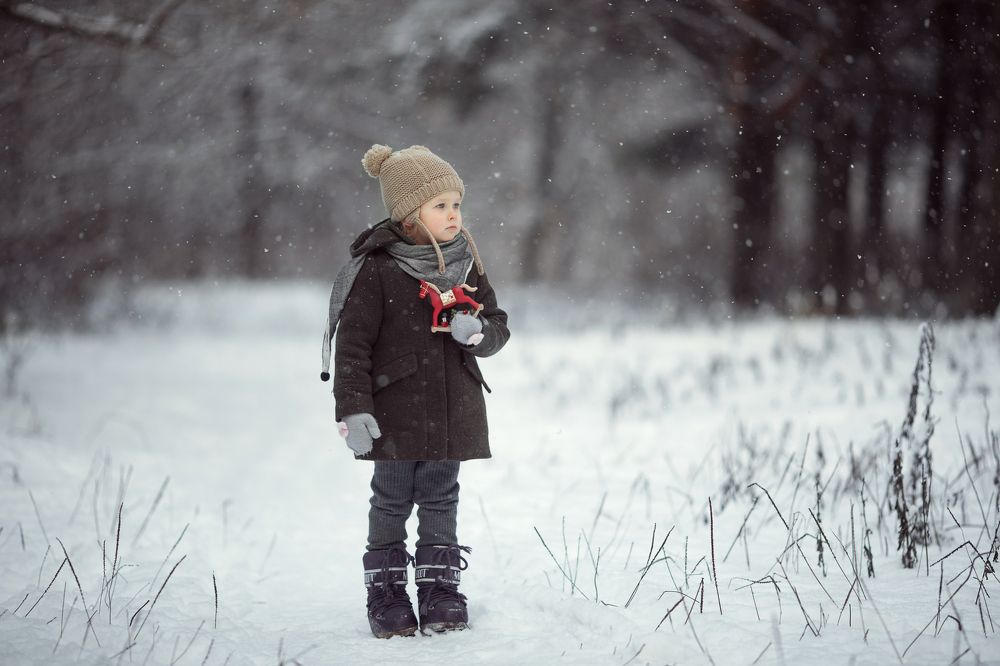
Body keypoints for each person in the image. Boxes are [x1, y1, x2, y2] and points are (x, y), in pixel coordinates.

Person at [319, 144, 510, 638]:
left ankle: (440, 588)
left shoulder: (467, 263)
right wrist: (354, 408)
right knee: (391, 499)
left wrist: (479, 332)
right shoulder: (377, 269)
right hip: (395, 410)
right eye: (440, 206)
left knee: (442, 497)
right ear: (409, 215)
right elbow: (353, 348)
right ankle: (385, 590)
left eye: (456, 204)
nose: (453, 215)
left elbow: (497, 325)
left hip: (452, 407)